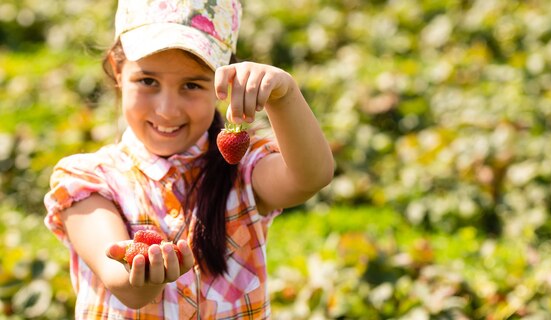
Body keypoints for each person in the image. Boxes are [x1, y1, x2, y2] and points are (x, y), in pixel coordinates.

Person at [43, 0, 334, 318]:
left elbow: (311, 177)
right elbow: (124, 284)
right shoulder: (88, 179)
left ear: (223, 86)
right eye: (148, 82)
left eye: (192, 85)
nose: (167, 109)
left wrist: (285, 96)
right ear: (117, 68)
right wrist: (144, 272)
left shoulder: (241, 169)